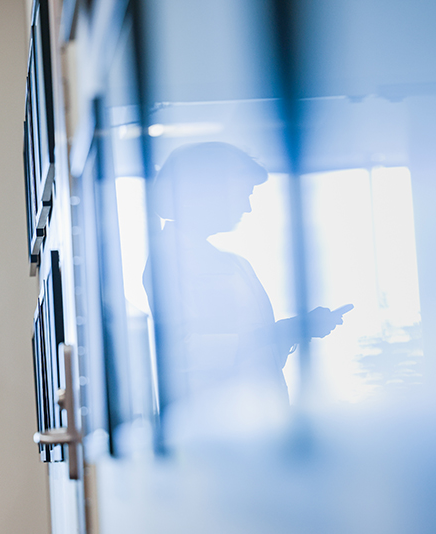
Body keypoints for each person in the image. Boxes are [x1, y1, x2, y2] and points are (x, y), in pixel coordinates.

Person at [147, 142, 350, 418]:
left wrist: (297, 331)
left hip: (259, 420)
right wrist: (277, 333)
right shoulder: (165, 258)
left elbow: (259, 357)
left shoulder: (235, 263)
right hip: (216, 426)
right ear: (203, 191)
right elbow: (181, 351)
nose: (248, 207)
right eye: (242, 194)